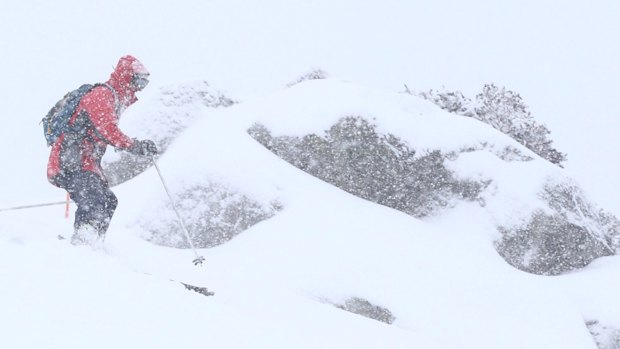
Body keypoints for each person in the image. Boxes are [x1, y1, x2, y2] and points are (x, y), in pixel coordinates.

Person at [47, 55, 158, 245]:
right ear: (127, 77)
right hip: (70, 161)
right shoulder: (101, 95)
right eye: (139, 81)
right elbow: (107, 130)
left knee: (108, 201)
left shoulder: (114, 100)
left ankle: (94, 243)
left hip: (86, 163)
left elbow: (102, 134)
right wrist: (136, 146)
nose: (140, 87)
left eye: (145, 83)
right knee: (94, 199)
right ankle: (82, 243)